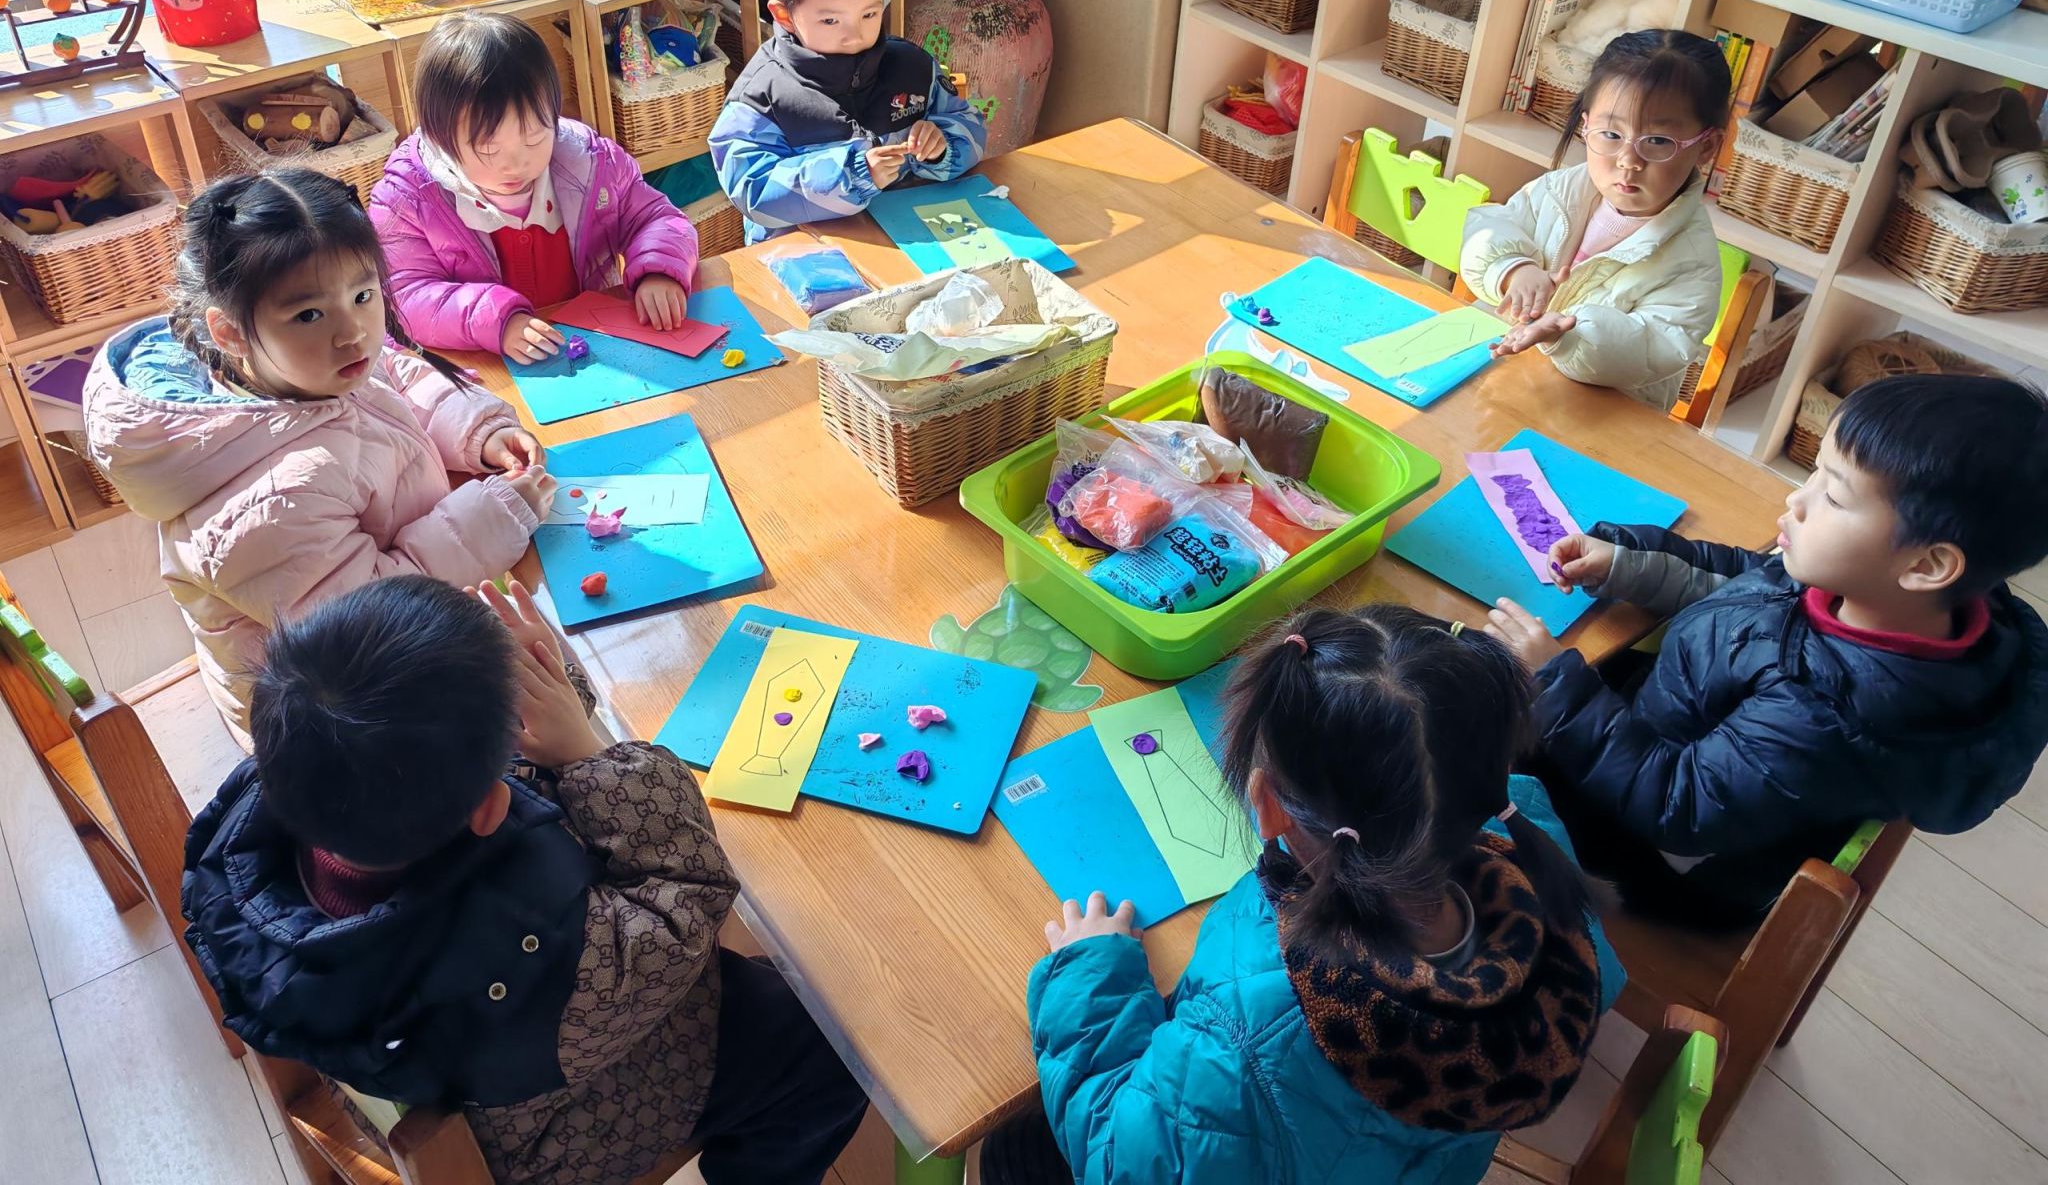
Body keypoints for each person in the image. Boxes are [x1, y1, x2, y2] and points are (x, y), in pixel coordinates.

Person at [182, 577, 871, 1185]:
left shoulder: (292, 791)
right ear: (490, 808)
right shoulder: (550, 963)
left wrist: (548, 692)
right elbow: (687, 899)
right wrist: (590, 753)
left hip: (405, 1053)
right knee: (831, 1041)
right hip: (561, 1127)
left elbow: (465, 759)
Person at [987, 605, 1621, 1185]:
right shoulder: (1541, 868)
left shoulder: (1244, 1041)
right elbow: (1610, 977)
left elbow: (1121, 1161)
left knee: (1009, 1148)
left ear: (1265, 805)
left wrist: (1090, 978)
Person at [1487, 374, 2048, 925]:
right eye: (1814, 473)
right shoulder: (1893, 598)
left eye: (1833, 495)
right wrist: (1629, 565)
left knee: (1469, 731)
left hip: (1652, 850)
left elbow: (1677, 805)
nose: (1796, 498)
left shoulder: (1826, 716)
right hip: (1681, 739)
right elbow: (1758, 580)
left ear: (1928, 565)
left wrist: (1554, 685)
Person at [83, 168, 549, 745]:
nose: (352, 333)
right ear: (229, 333)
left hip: (422, 633)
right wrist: (488, 521)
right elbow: (369, 618)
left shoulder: (302, 368)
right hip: (344, 725)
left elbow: (397, 373)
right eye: (308, 314)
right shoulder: (271, 500)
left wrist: (477, 431)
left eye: (363, 296)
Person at [370, 11, 699, 364]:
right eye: (488, 149)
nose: (515, 164)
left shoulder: (591, 165)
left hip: (594, 351)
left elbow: (655, 218)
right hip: (484, 367)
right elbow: (403, 296)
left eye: (533, 138)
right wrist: (497, 321)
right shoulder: (408, 200)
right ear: (439, 137)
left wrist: (658, 268)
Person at [1461, 29, 1731, 408]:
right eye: (1610, 134)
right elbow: (1487, 228)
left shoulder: (1692, 262)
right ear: (1586, 125)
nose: (1628, 160)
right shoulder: (1558, 190)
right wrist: (1513, 269)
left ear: (1706, 146)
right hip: (1498, 372)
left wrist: (1568, 334)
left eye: (1657, 141)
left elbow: (1654, 347)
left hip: (1596, 411)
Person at [708, 0, 986, 242]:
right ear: (784, 15)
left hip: (910, 240)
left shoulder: (913, 68)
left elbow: (971, 126)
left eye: (869, 14)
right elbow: (752, 189)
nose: (854, 35)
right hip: (809, 255)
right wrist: (854, 174)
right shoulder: (760, 97)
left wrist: (943, 145)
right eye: (830, 20)